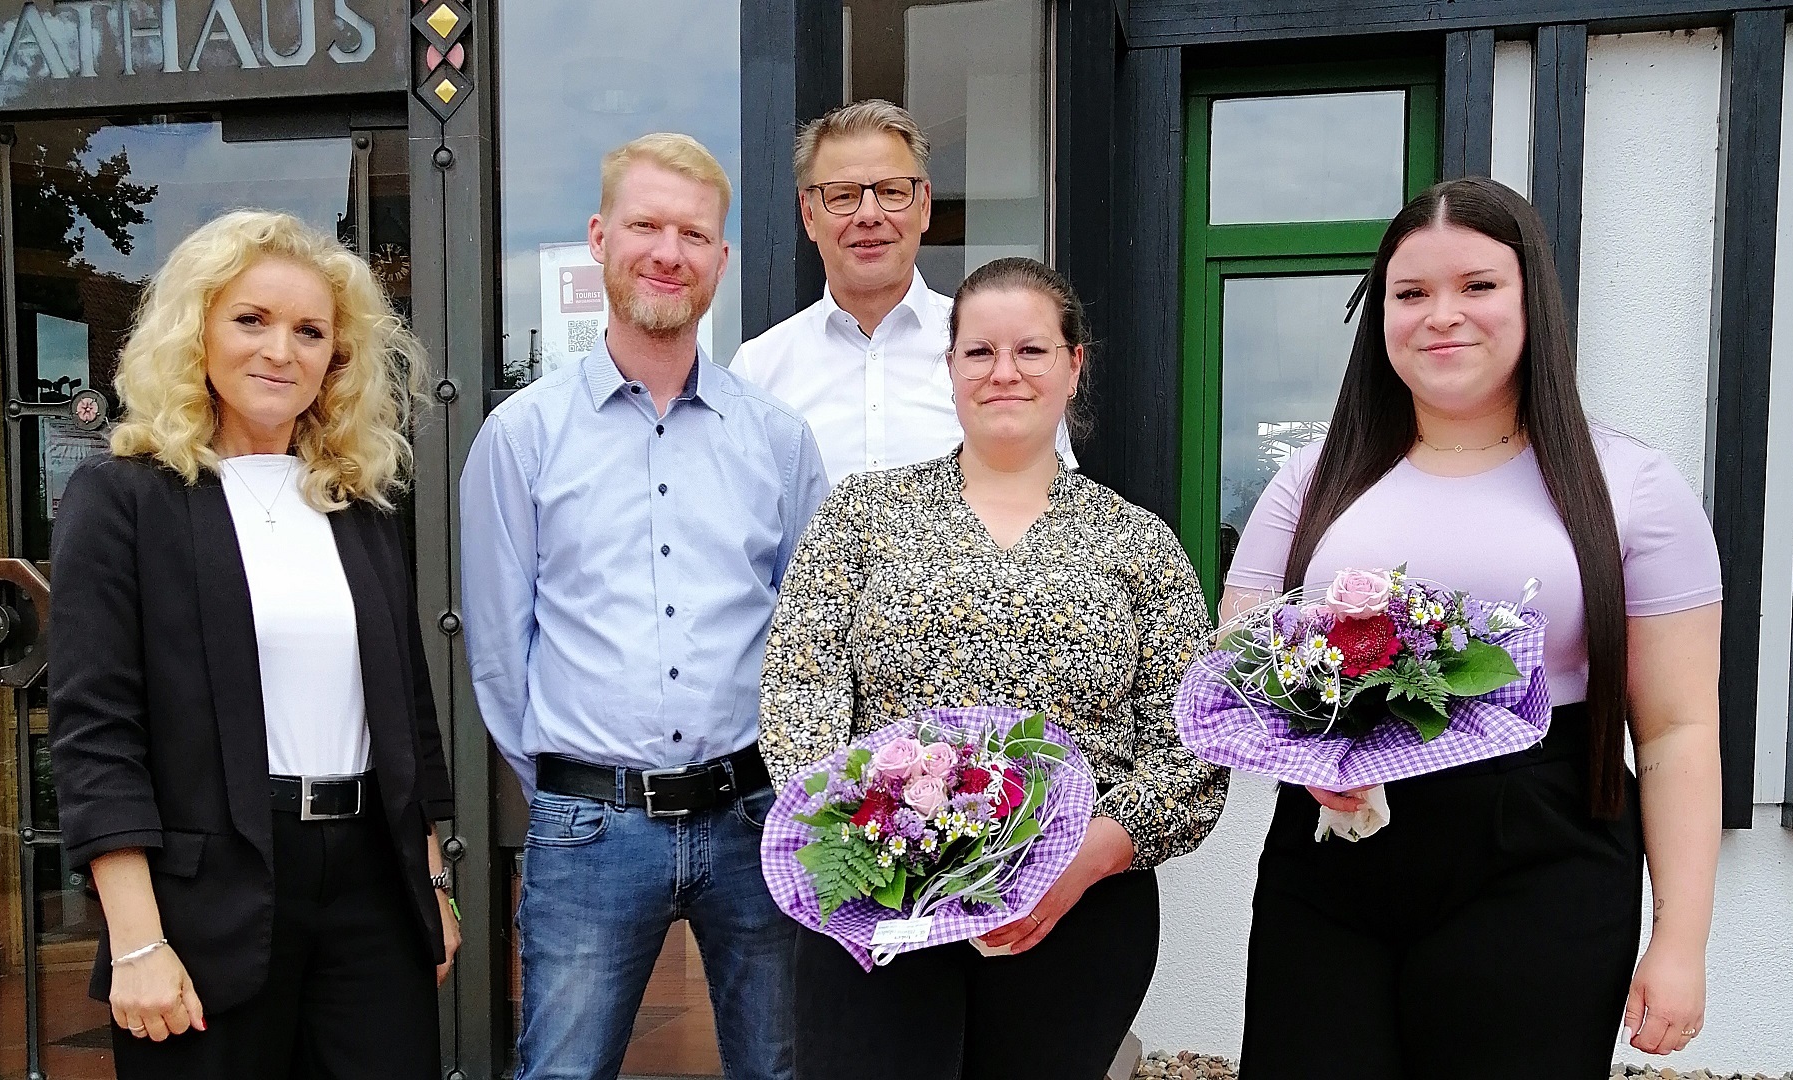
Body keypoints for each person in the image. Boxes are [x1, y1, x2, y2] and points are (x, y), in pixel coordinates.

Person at [1221, 177, 1722, 1078]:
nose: (1441, 315)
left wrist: (1680, 942)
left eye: (1478, 286)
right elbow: (1242, 662)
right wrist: (1303, 760)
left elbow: (1680, 729)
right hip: (1335, 852)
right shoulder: (1312, 478)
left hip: (1541, 845)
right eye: (1411, 293)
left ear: (1533, 298)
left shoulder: (1631, 485)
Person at [757, 257, 1227, 1080]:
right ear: (949, 368)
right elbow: (803, 683)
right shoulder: (863, 517)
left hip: (1074, 914)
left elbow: (1191, 733)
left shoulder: (1138, 543)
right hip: (881, 898)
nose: (1003, 372)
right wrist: (854, 828)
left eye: (1031, 351)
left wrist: (1087, 856)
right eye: (978, 352)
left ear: (1074, 365)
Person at [49, 210, 459, 1079]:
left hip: (371, 897)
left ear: (336, 361)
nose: (282, 350)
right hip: (207, 898)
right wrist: (134, 944)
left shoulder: (358, 507)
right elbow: (95, 737)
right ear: (195, 330)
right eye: (251, 320)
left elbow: (405, 713)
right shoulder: (123, 499)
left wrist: (431, 880)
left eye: (310, 331)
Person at [460, 133, 827, 1080]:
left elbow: (812, 635)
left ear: (721, 260)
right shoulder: (522, 437)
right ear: (598, 236)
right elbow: (500, 651)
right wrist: (571, 784)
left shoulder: (780, 443)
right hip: (590, 829)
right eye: (647, 225)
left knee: (778, 1068)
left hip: (756, 818)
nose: (669, 251)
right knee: (564, 1071)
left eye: (694, 233)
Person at [730, 99, 1072, 480]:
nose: (869, 216)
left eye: (891, 192)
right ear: (809, 215)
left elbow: (1054, 510)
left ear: (924, 205)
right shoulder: (757, 370)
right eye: (843, 195)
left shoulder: (996, 362)